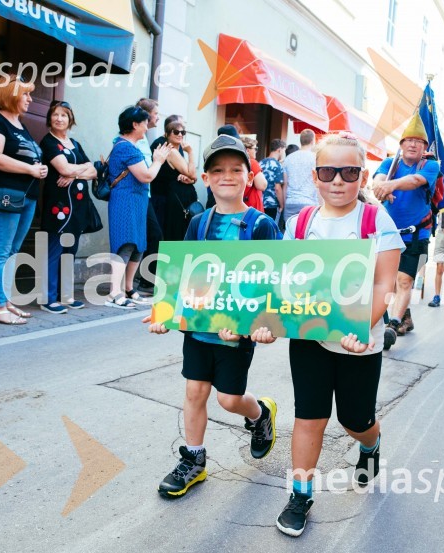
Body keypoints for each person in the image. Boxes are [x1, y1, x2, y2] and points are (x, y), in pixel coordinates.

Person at [278, 134, 402, 537]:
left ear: (361, 175)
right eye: (328, 171)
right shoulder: (300, 223)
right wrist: (265, 322)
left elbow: (387, 286)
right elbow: (284, 281)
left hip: (359, 342)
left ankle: (371, 443)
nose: (338, 181)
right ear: (315, 176)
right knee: (308, 418)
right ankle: (300, 495)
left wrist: (361, 327)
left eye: (349, 172)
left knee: (354, 418)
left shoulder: (375, 219)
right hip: (310, 339)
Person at [144, 134, 280, 499]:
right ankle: (194, 460)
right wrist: (164, 312)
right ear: (205, 178)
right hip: (199, 329)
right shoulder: (198, 223)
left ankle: (260, 414)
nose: (227, 176)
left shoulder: (261, 226)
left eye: (236, 169)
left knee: (229, 400)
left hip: (236, 334)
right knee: (194, 391)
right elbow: (185, 273)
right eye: (218, 170)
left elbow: (276, 282)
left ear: (248, 176)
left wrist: (254, 327)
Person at [0, 74, 46, 325]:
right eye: (26, 94)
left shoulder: (20, 124)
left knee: (13, 250)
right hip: (5, 193)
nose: (30, 98)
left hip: (26, 195)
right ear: (11, 94)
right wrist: (30, 169)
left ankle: (4, 299)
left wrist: (38, 168)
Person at [372, 113, 439, 336]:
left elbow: (415, 181)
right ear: (401, 145)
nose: (412, 144)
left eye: (418, 141)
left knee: (404, 279)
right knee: (389, 282)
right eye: (408, 140)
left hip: (417, 235)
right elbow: (378, 180)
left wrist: (390, 186)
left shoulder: (430, 165)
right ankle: (406, 316)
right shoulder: (390, 164)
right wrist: (382, 185)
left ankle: (393, 324)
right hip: (389, 234)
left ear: (424, 147)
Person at [105, 106, 172, 309]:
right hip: (125, 201)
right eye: (144, 123)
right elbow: (146, 176)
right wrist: (159, 160)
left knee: (137, 246)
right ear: (134, 125)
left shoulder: (129, 146)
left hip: (137, 201)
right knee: (125, 244)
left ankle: (128, 288)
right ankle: (113, 293)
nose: (146, 127)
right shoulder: (125, 147)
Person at [39, 100, 97, 314]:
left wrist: (72, 174)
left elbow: (93, 171)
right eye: (55, 114)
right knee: (54, 249)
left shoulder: (75, 143)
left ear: (70, 119)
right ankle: (47, 298)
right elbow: (61, 167)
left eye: (64, 115)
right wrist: (77, 170)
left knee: (69, 252)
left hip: (78, 207)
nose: (59, 118)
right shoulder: (49, 142)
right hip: (59, 206)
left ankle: (65, 296)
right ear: (49, 118)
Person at [132, 98, 164, 297]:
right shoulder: (136, 139)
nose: (158, 117)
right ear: (145, 114)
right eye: (156, 113)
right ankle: (144, 281)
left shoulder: (145, 138)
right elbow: (144, 173)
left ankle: (142, 281)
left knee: (147, 237)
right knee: (152, 236)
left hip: (146, 194)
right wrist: (158, 160)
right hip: (136, 195)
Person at [150, 117, 198, 241]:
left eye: (183, 132)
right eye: (176, 132)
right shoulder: (171, 151)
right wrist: (191, 152)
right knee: (175, 234)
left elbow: (193, 177)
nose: (180, 135)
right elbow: (192, 173)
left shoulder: (177, 150)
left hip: (176, 199)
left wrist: (190, 178)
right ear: (167, 134)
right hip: (172, 201)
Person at [282, 129, 318, 221]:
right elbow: (318, 183)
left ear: (300, 141)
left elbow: (285, 184)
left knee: (290, 233)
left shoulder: (288, 159)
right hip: (309, 202)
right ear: (312, 140)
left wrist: (283, 204)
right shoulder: (315, 158)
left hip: (290, 202)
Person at [260, 139, 286, 223]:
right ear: (279, 150)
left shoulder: (260, 163)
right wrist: (282, 205)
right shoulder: (277, 165)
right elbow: (277, 188)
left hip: (260, 203)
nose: (283, 153)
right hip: (272, 205)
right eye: (283, 151)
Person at [241, 136, 267, 211]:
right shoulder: (251, 162)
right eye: (255, 149)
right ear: (247, 150)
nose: (256, 151)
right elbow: (262, 185)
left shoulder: (238, 163)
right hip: (252, 208)